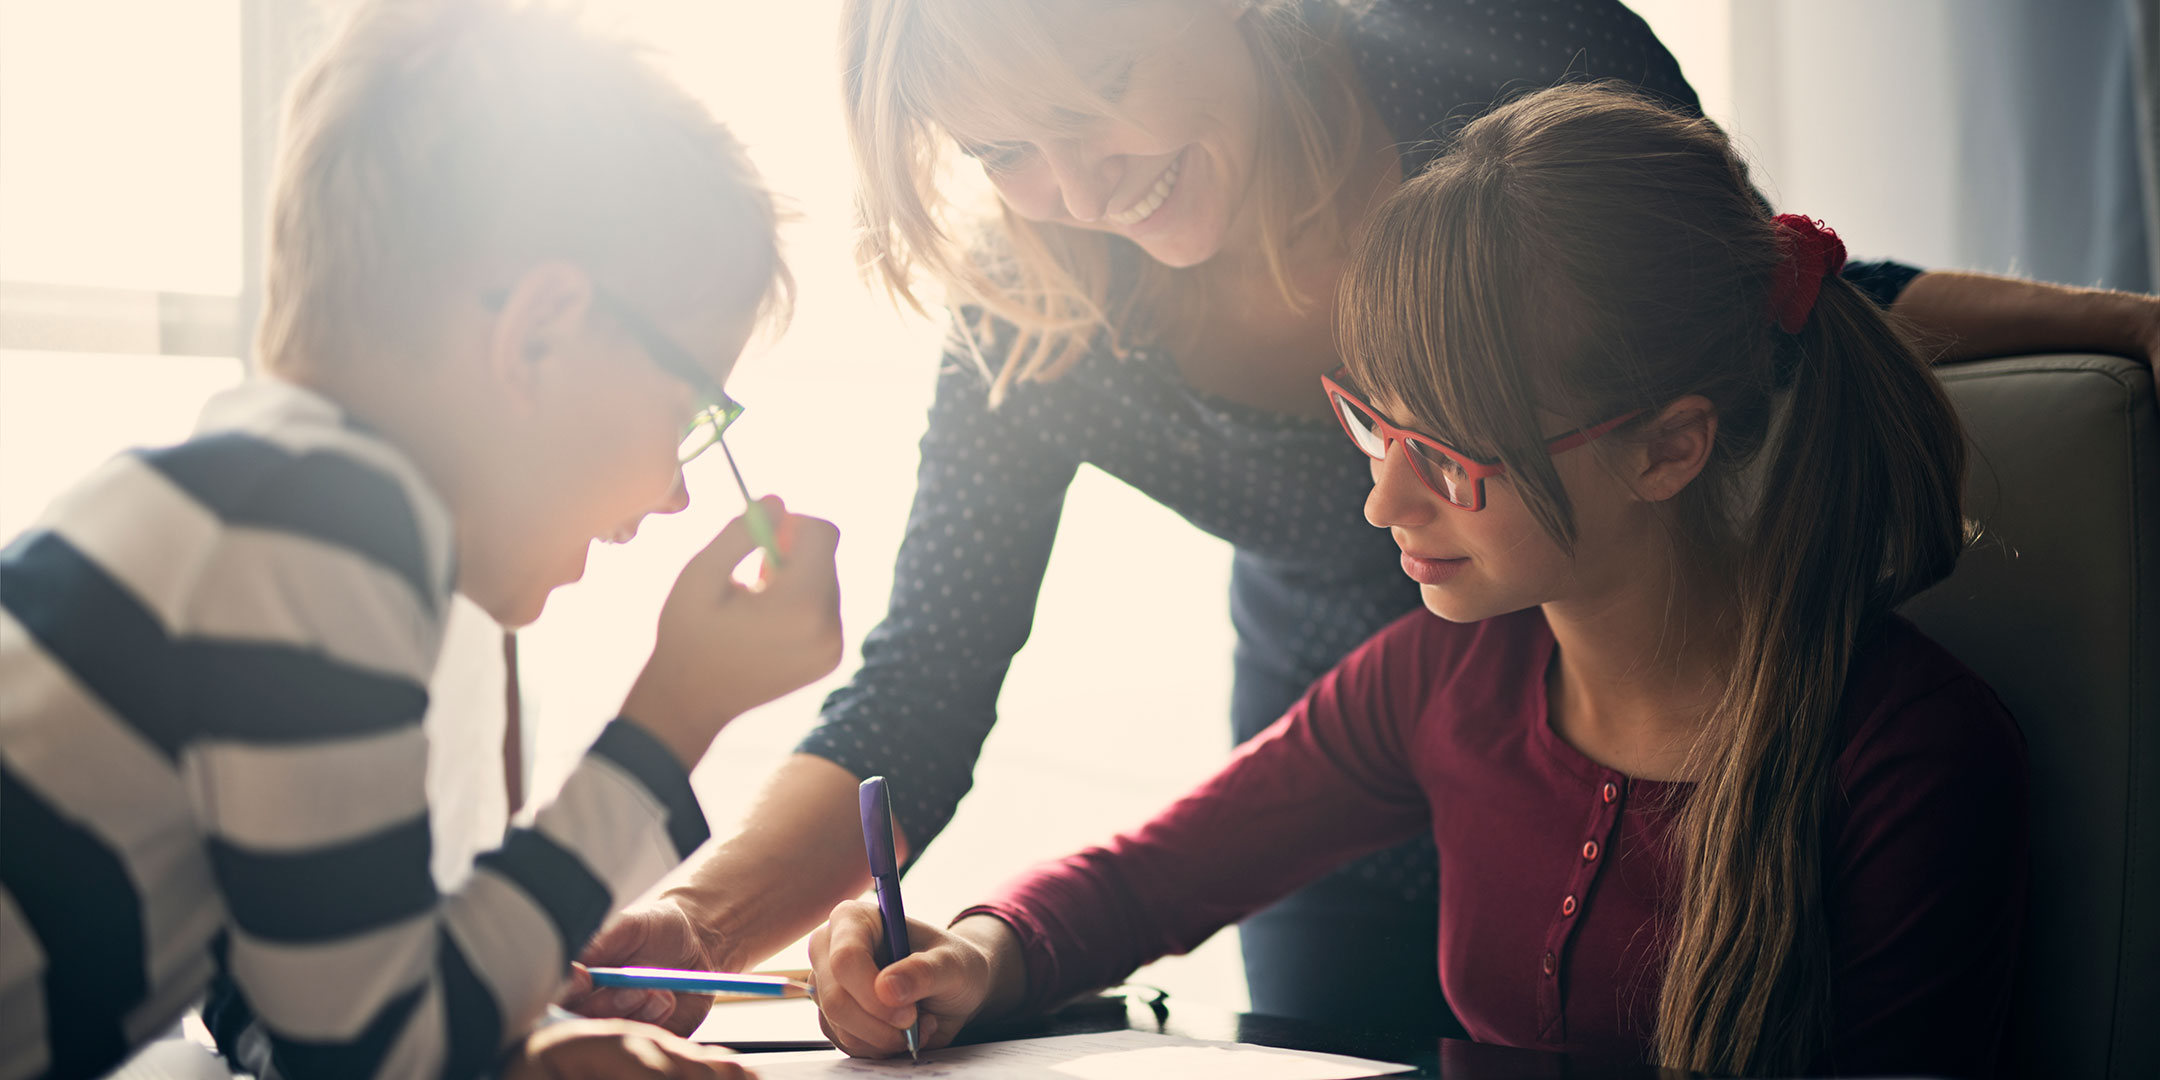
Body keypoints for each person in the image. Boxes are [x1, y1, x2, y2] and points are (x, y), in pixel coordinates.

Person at [571, 0, 2150, 1037]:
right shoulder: (1043, 321)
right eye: (1001, 151)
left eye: (1102, 92)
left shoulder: (1495, 55)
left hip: (1668, 689)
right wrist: (706, 925)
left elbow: (1756, 294)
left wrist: (2133, 330)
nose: (1073, 182)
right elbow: (926, 689)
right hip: (1378, 715)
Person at [807, 82, 2029, 1080]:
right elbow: (1146, 878)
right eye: (1374, 428)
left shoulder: (1908, 760)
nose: (1384, 501)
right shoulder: (1448, 677)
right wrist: (967, 957)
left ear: (1668, 448)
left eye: (1445, 456)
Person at [0, 2, 839, 1078]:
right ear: (539, 334)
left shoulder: (257, 504)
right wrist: (671, 718)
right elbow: (365, 1053)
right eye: (686, 411)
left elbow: (294, 995)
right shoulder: (316, 540)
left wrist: (515, 1052)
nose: (677, 493)